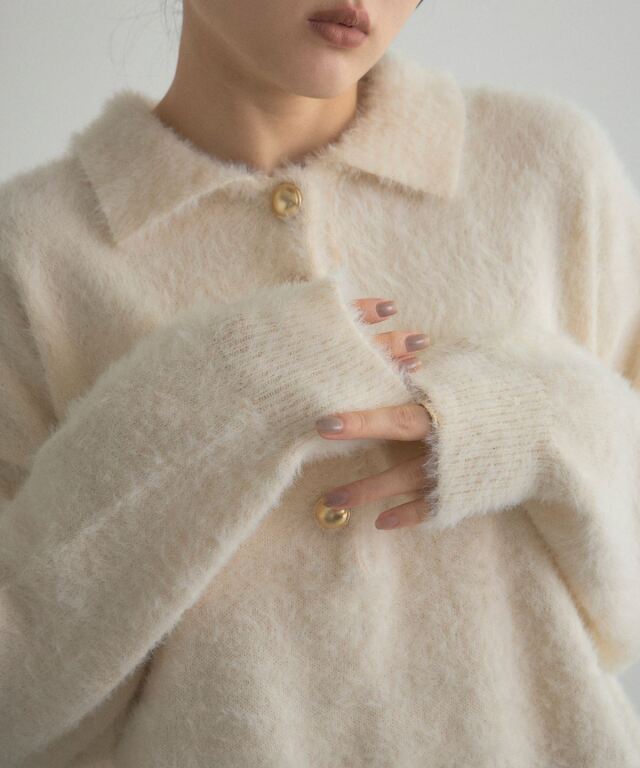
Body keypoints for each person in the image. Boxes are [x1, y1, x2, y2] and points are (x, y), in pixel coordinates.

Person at [1, 1, 639, 766]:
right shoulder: (32, 254)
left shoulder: (547, 169)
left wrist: (545, 417)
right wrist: (220, 396)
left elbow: (624, 610)